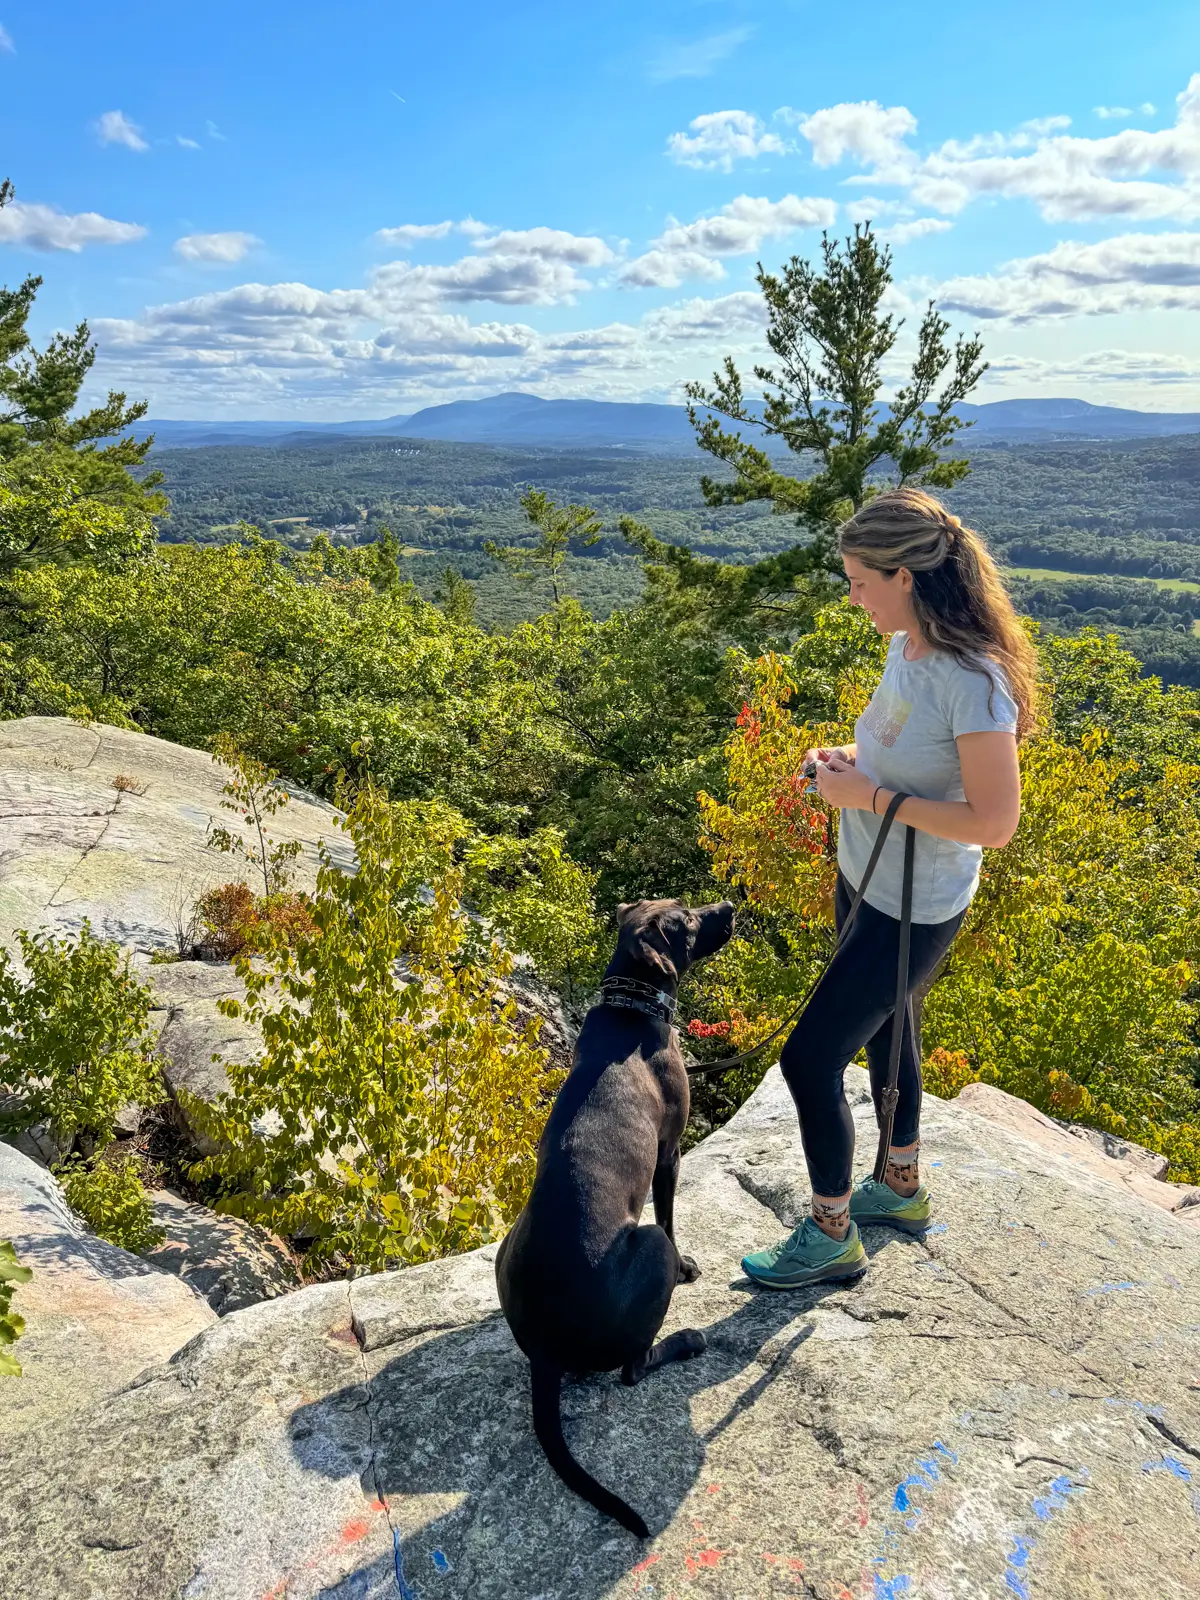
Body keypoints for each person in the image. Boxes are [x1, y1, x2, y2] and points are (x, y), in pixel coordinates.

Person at [742, 487, 1038, 1290]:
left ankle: (833, 1230)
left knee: (808, 1061)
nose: (852, 596)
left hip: (914, 903)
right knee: (890, 1030)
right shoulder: (906, 646)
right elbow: (901, 748)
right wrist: (847, 759)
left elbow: (996, 821)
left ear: (904, 574)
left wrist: (868, 797)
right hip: (868, 876)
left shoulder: (973, 682)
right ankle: (899, 1186)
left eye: (860, 581)